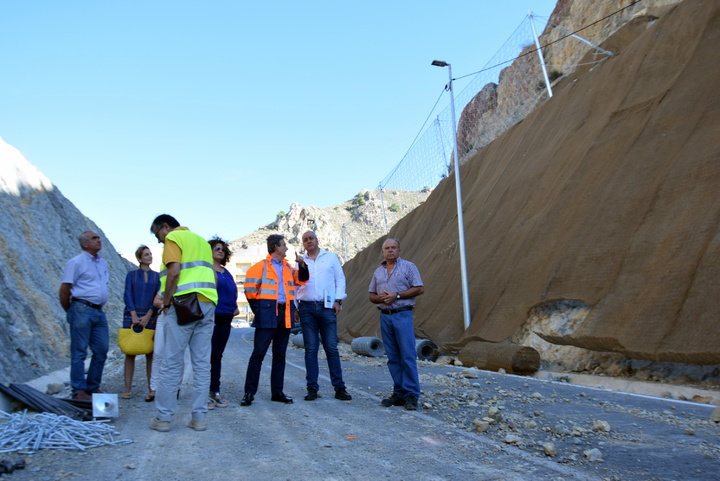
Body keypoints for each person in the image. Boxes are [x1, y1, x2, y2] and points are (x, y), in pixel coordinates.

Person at [149, 214, 217, 432]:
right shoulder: (202, 242)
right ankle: (199, 418)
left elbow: (174, 271)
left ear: (166, 227)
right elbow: (213, 277)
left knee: (171, 363)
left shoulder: (174, 238)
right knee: (202, 364)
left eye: (158, 234)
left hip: (183, 305)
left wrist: (166, 302)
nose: (159, 241)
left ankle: (164, 419)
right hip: (207, 304)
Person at [240, 234, 308, 406]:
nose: (286, 248)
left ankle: (277, 392)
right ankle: (249, 393)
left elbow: (303, 279)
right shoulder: (260, 267)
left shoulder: (288, 267)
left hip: (285, 314)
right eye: (284, 245)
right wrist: (260, 309)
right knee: (258, 354)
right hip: (268, 312)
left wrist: (302, 264)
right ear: (276, 247)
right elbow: (249, 290)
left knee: (280, 354)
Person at [368, 238, 424, 411]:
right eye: (387, 248)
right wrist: (381, 298)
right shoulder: (378, 272)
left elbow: (419, 288)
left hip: (403, 314)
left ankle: (412, 394)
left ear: (399, 250)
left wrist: (396, 295)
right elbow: (371, 295)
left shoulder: (409, 267)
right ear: (383, 252)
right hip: (385, 316)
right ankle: (399, 392)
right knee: (392, 356)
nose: (390, 250)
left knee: (407, 355)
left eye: (393, 248)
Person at [295, 231, 351, 401]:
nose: (308, 241)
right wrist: (296, 306)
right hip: (306, 308)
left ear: (317, 239)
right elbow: (296, 285)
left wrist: (338, 300)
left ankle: (339, 388)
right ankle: (312, 388)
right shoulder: (301, 262)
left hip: (327, 307)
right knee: (311, 349)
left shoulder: (331, 257)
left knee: (331, 348)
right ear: (303, 244)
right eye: (305, 240)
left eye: (311, 238)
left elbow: (340, 279)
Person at [58, 231, 110, 401]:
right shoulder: (76, 262)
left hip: (98, 311)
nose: (99, 240)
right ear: (85, 244)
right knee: (79, 351)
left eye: (99, 237)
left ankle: (93, 386)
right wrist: (72, 311)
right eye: (94, 238)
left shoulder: (102, 263)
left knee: (101, 349)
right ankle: (79, 390)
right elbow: (64, 290)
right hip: (81, 308)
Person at [121, 245, 160, 401]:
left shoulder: (157, 277)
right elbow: (127, 294)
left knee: (150, 353)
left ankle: (152, 389)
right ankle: (127, 389)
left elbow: (157, 297)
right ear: (139, 258)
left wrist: (148, 315)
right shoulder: (131, 275)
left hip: (150, 317)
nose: (150, 256)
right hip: (131, 316)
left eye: (150, 254)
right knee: (130, 352)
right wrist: (134, 314)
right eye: (146, 254)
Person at [207, 237, 239, 409]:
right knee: (207, 356)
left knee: (217, 355)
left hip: (226, 317)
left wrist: (234, 306)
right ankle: (204, 393)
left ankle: (215, 391)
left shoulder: (226, 272)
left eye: (222, 249)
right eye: (216, 248)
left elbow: (233, 291)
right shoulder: (206, 270)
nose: (220, 251)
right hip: (211, 317)